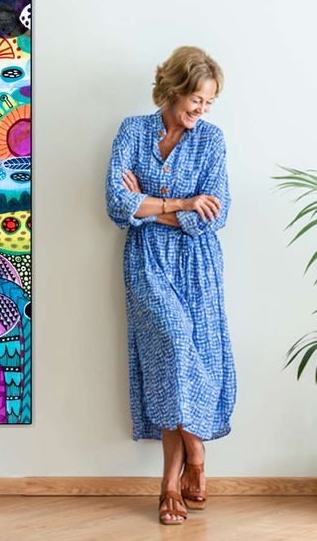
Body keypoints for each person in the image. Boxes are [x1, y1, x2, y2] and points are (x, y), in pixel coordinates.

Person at [105, 46, 236, 525]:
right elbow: (118, 206)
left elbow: (214, 215)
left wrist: (150, 202)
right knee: (175, 346)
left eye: (209, 103)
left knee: (174, 364)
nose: (201, 111)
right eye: (197, 99)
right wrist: (181, 202)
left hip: (199, 267)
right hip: (146, 264)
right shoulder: (132, 131)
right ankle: (197, 453)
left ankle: (168, 487)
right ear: (174, 88)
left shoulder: (212, 141)